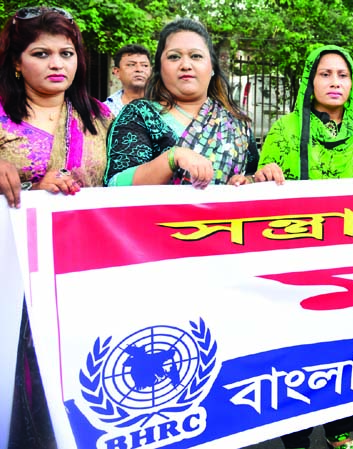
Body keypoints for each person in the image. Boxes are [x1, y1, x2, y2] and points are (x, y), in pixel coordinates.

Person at [258, 44, 353, 449]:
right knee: (296, 351)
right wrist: (263, 174)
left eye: (343, 75)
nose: (335, 82)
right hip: (298, 262)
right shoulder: (285, 129)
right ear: (309, 81)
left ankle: (340, 430)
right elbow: (260, 191)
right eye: (325, 74)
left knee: (346, 346)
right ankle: (295, 437)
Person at [0, 6, 112, 447]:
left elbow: (126, 181)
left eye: (66, 53)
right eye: (41, 53)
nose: (56, 63)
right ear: (16, 61)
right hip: (13, 280)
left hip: (84, 272)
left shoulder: (99, 115)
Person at [105, 19, 273, 188]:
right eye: (174, 57)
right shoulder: (139, 115)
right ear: (160, 69)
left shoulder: (236, 124)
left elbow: (250, 174)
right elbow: (115, 185)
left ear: (212, 67)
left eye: (196, 56)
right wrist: (172, 158)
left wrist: (255, 179)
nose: (186, 65)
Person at [104, 44, 151, 116]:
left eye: (145, 65)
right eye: (131, 65)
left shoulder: (164, 106)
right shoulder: (106, 109)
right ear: (117, 72)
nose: (139, 69)